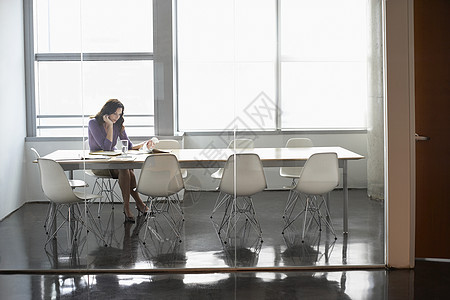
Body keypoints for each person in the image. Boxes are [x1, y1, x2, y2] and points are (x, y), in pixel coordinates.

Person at [88, 99, 152, 223]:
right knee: (126, 169)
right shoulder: (93, 123)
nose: (117, 117)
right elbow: (105, 147)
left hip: (115, 162)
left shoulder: (118, 124)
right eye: (115, 114)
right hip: (99, 163)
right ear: (107, 112)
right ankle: (137, 204)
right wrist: (110, 126)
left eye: (120, 114)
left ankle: (128, 207)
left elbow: (129, 145)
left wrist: (144, 144)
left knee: (125, 168)